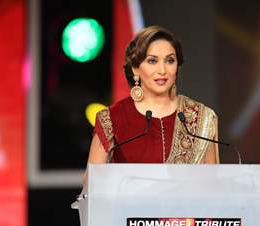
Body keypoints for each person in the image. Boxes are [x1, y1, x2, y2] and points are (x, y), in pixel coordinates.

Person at [87, 25, 219, 166]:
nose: (162, 70)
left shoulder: (200, 116)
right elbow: (93, 181)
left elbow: (212, 181)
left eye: (170, 61)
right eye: (152, 61)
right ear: (135, 68)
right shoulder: (112, 118)